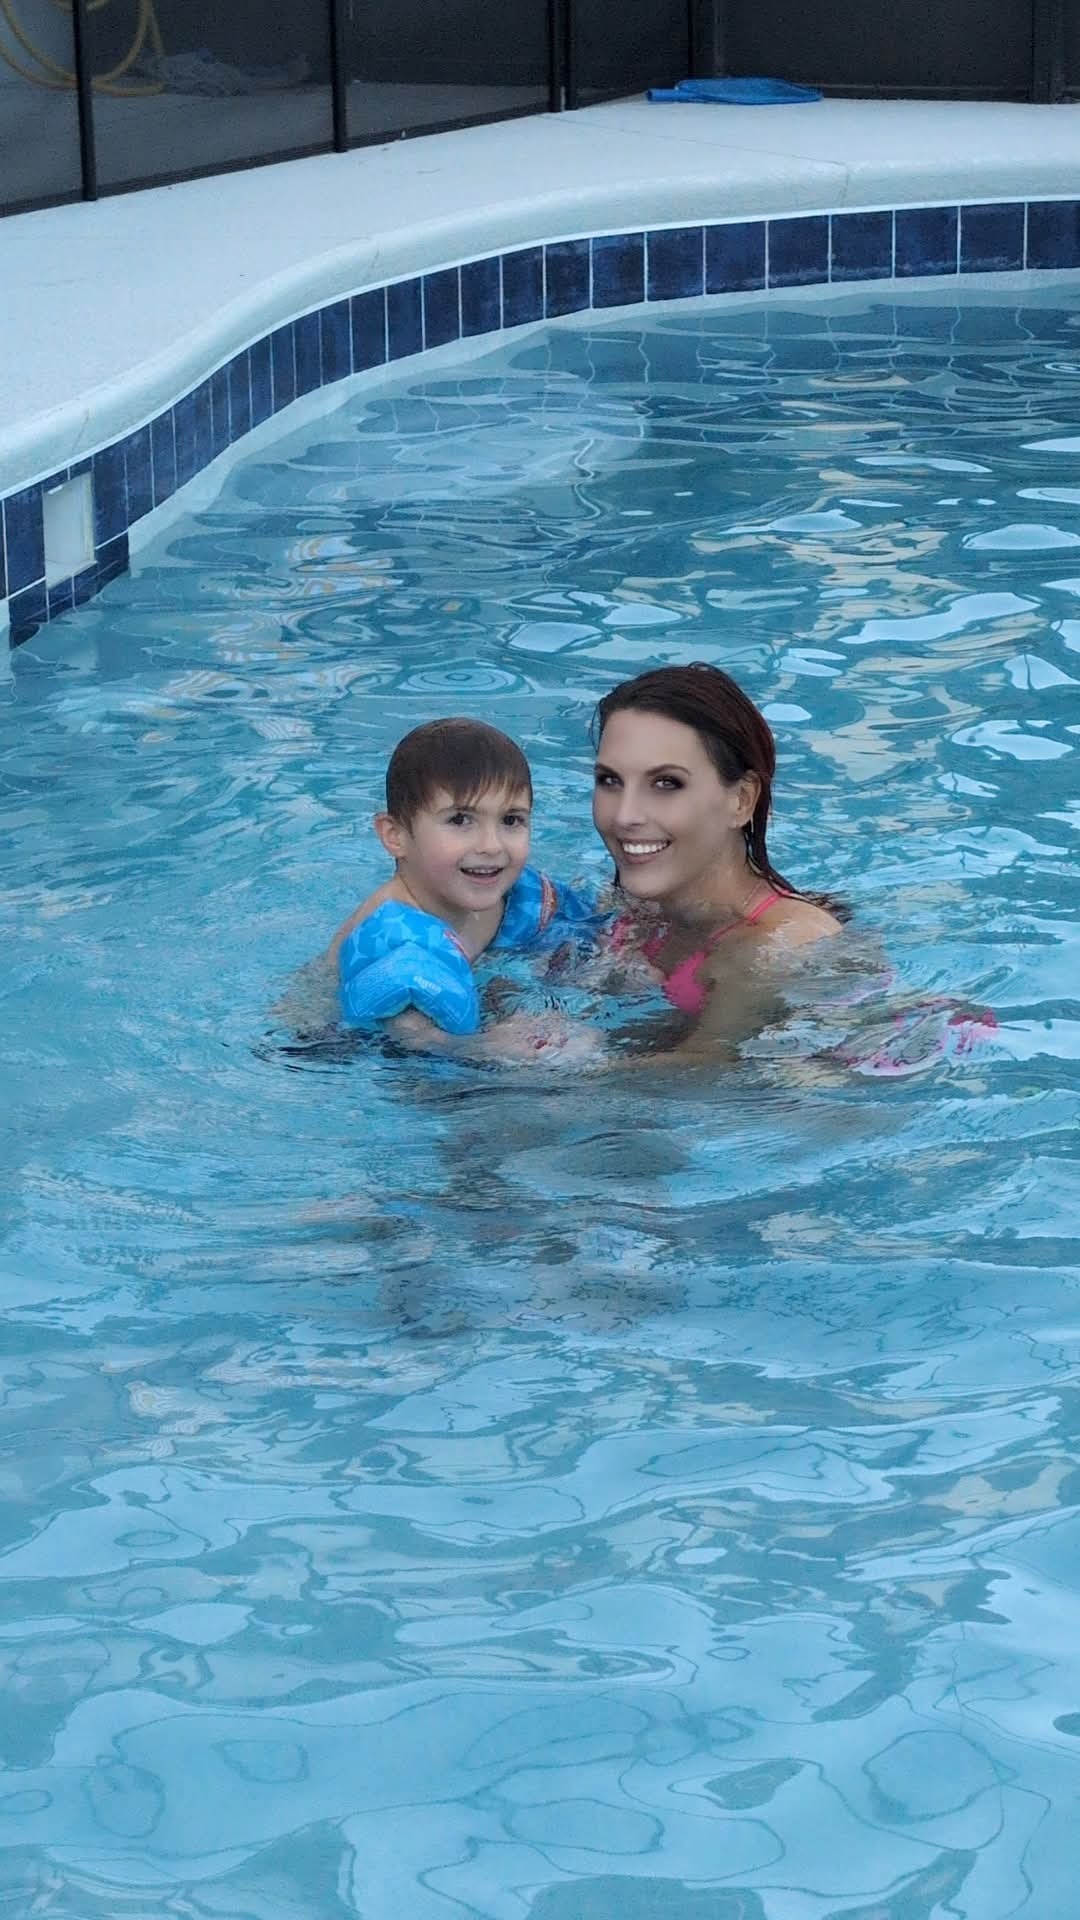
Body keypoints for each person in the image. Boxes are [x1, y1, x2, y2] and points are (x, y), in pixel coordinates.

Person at [591, 663, 844, 1052]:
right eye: (610, 780)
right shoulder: (633, 912)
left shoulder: (775, 946)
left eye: (666, 783)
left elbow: (705, 1067)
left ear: (741, 800)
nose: (625, 816)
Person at [330, 716, 601, 1045]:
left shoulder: (521, 898)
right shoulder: (388, 940)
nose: (492, 845)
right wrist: (491, 1047)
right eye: (460, 820)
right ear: (395, 835)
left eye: (511, 820)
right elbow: (417, 1040)